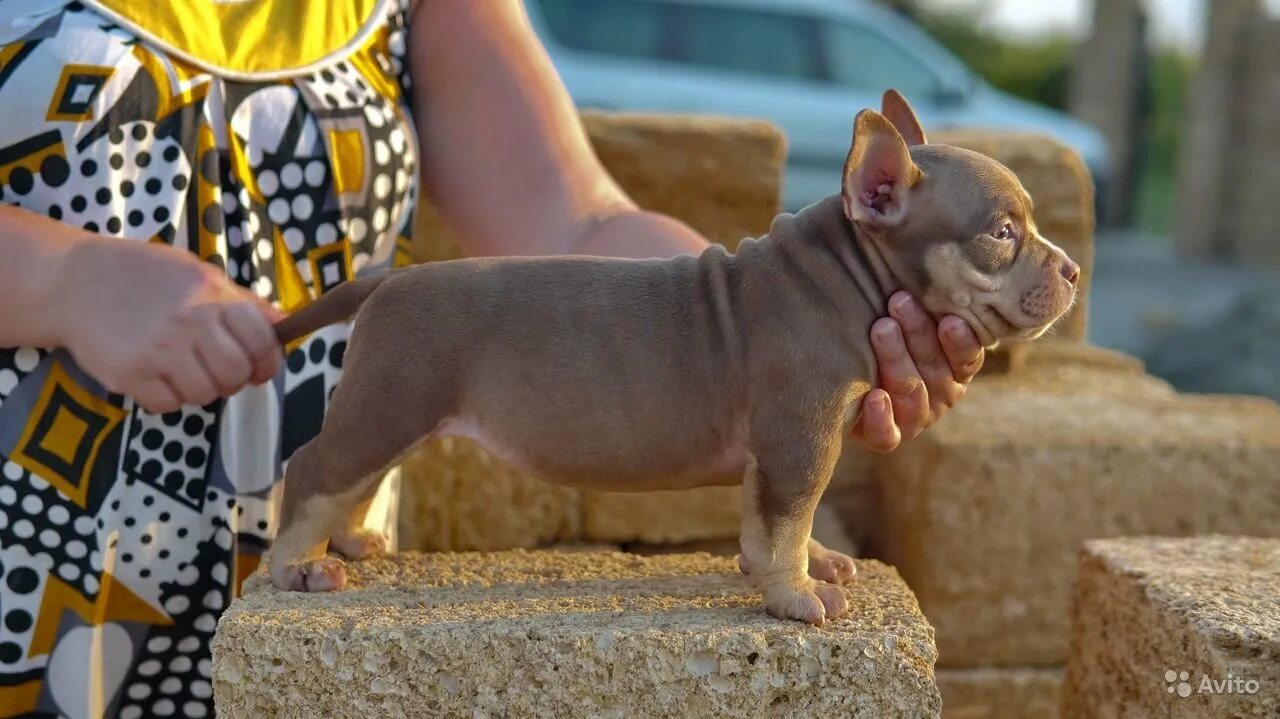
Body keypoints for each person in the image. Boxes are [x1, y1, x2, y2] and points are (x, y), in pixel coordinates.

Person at [0, 1, 984, 716]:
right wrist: (63, 276)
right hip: (37, 573)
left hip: (304, 600)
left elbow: (579, 222)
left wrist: (785, 331)